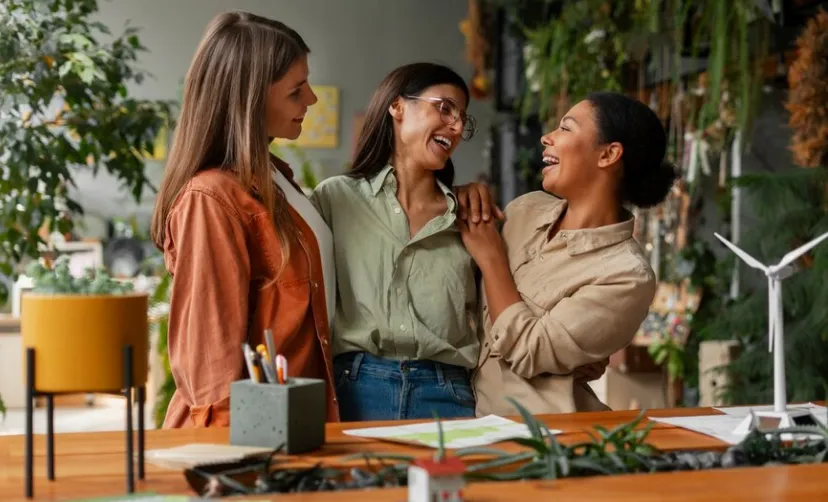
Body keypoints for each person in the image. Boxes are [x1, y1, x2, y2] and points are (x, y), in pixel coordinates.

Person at [149, 11, 339, 427]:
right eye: (296, 90)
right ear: (251, 98)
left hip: (296, 424)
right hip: (253, 439)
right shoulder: (211, 200)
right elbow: (211, 373)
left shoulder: (275, 178)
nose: (311, 99)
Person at [460, 91, 678, 416]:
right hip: (454, 411)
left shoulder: (626, 275)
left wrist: (492, 259)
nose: (546, 138)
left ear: (608, 154)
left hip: (536, 439)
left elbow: (529, 349)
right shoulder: (524, 210)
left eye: (565, 128)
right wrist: (461, 197)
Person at [310, 63, 482, 421]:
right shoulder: (335, 200)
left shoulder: (467, 215)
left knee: (448, 481)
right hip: (355, 389)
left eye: (463, 118)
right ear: (398, 106)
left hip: (447, 394)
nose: (457, 126)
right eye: (445, 107)